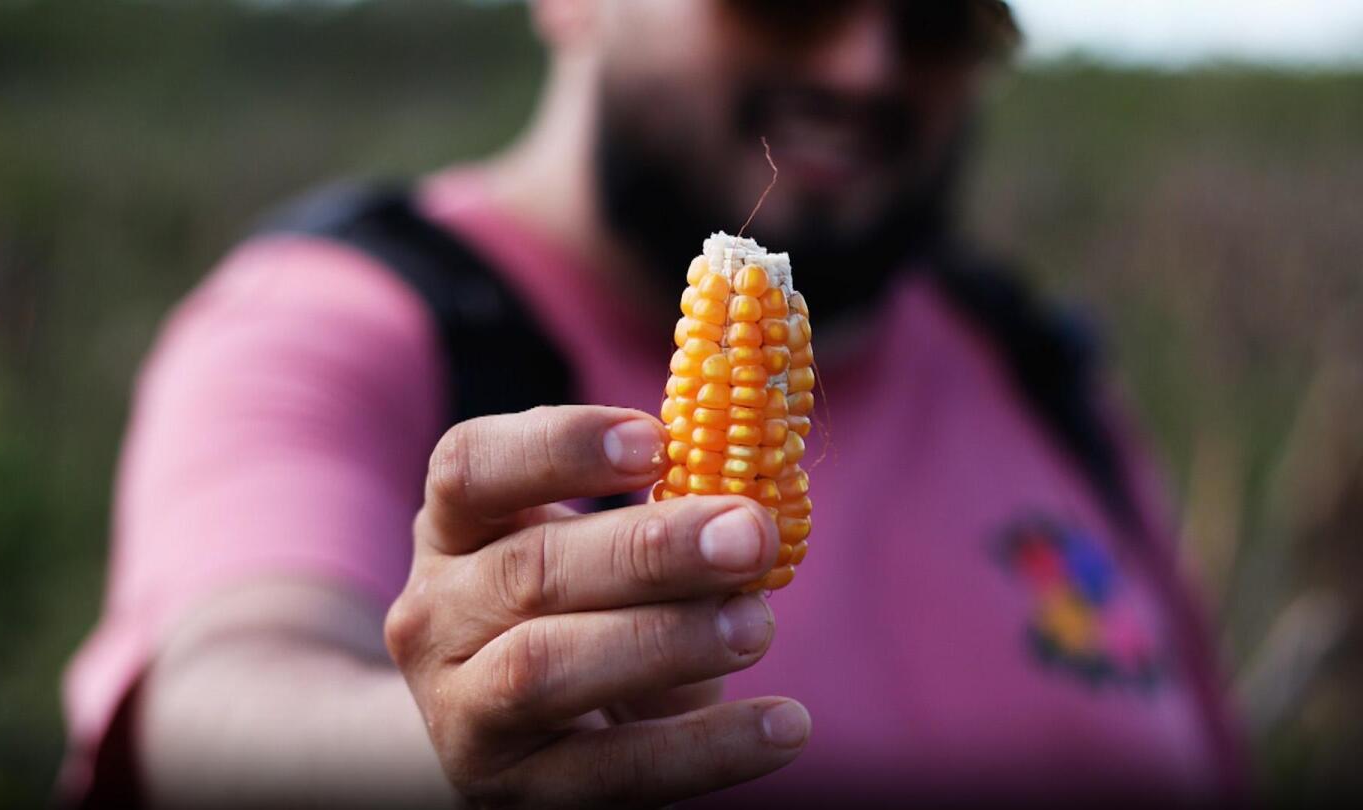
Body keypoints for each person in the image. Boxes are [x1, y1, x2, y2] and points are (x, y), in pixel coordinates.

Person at [62, 0, 1245, 805]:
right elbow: (219, 701)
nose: (864, 62)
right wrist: (442, 754)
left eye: (940, 17)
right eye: (784, 1)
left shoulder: (1043, 370)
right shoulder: (328, 323)